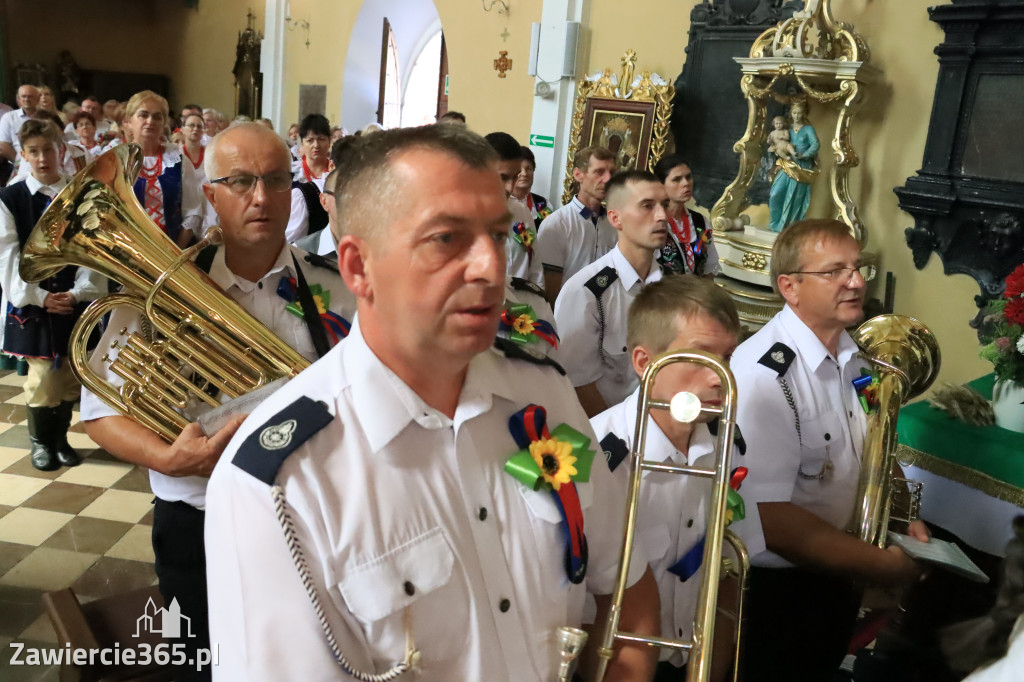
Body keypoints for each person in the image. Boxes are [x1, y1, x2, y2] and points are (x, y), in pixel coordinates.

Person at [204, 124, 660, 681]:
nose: (491, 268)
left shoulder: (543, 393)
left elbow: (629, 587)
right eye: (446, 238)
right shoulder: (278, 483)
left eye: (496, 235)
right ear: (357, 268)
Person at [80, 122, 356, 681]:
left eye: (276, 180)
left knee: (311, 660)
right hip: (196, 518)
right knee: (201, 664)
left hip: (316, 516)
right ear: (211, 194)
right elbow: (100, 412)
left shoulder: (342, 287)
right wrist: (166, 458)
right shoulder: (160, 292)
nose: (261, 197)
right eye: (241, 181)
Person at [729, 219, 929, 681]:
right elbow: (770, 519)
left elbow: (877, 441)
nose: (856, 281)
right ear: (790, 286)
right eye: (835, 271)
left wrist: (900, 517)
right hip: (777, 593)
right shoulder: (765, 374)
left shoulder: (856, 358)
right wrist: (880, 565)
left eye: (857, 268)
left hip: (836, 574)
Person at [589, 274, 764, 681]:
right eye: (701, 356)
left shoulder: (727, 444)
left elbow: (730, 568)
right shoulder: (601, 452)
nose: (719, 375)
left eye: (727, 357)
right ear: (645, 363)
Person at [0, 120, 105, 470]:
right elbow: (8, 257)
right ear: (23, 155)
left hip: (72, 302)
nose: (42, 157)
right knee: (44, 378)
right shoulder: (10, 200)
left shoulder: (77, 197)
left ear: (61, 150)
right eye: (34, 151)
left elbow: (88, 251)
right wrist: (38, 296)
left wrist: (78, 293)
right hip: (34, 305)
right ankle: (40, 443)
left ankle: (60, 440)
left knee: (72, 378)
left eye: (48, 149)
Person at [554, 170, 669, 417]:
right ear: (616, 219)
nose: (662, 216)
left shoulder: (670, 287)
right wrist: (623, 435)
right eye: (647, 206)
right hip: (609, 434)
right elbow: (576, 383)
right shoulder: (587, 293)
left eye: (664, 205)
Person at [122, 90, 204, 248]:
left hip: (173, 249)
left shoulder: (177, 159)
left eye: (157, 116)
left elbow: (193, 211)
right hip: (129, 251)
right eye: (143, 115)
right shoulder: (119, 160)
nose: (150, 121)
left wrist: (175, 253)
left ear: (164, 123)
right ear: (129, 122)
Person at [536, 146, 617, 301]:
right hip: (568, 312)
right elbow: (550, 289)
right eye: (599, 172)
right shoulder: (557, 224)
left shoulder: (615, 224)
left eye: (612, 173)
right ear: (578, 175)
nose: (608, 179)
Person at [486, 132, 544, 287]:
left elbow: (535, 269)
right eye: (503, 178)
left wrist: (539, 306)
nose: (510, 187)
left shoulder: (522, 212)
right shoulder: (462, 216)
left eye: (515, 177)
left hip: (522, 307)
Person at [653, 154, 721, 277]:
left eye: (688, 177)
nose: (686, 183)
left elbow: (710, 268)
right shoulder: (654, 222)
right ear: (660, 185)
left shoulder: (700, 222)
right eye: (677, 179)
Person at [767, 100, 819, 233]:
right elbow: (777, 142)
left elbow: (815, 144)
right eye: (794, 113)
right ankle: (774, 224)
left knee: (795, 197)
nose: (797, 116)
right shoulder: (786, 129)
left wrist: (806, 155)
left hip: (802, 165)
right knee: (775, 193)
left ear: (804, 114)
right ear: (791, 114)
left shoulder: (808, 129)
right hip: (787, 164)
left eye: (800, 113)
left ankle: (789, 228)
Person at [286, 113, 332, 242]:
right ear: (302, 144)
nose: (316, 145)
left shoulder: (336, 173)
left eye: (321, 139)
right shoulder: (292, 175)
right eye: (310, 140)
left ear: (329, 142)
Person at [512, 145, 554, 230]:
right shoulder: (500, 203)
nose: (524, 173)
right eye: (519, 169)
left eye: (528, 169)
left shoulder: (543, 204)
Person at [0, 85, 40, 161]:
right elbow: (4, 144)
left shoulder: (46, 117)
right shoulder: (9, 117)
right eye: (23, 96)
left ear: (37, 99)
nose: (27, 99)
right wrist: (18, 162)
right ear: (18, 99)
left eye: (30, 96)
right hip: (16, 161)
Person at [180, 112, 207, 177]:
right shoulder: (177, 154)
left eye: (199, 126)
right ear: (183, 129)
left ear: (204, 131)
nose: (195, 129)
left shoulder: (209, 153)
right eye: (191, 125)